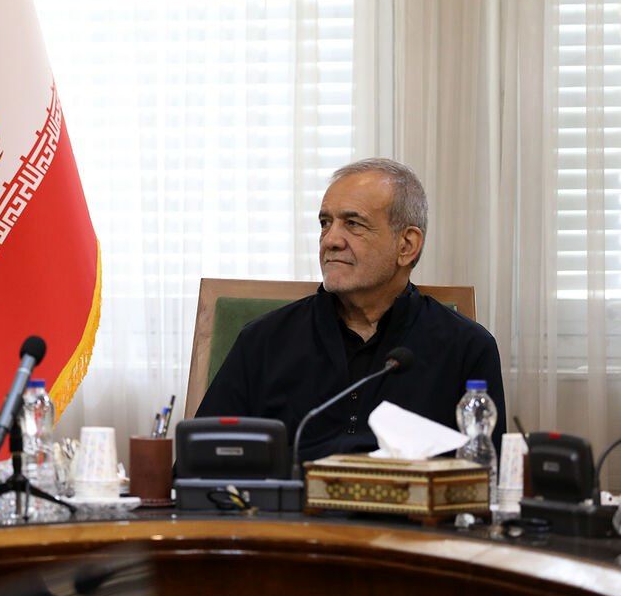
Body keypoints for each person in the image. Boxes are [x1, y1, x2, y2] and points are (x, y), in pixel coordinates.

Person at [196, 158, 506, 463]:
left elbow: (486, 477)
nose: (330, 240)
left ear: (406, 245)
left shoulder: (465, 347)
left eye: (353, 223)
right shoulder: (263, 340)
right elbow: (197, 461)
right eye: (325, 223)